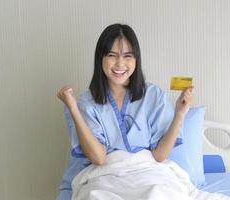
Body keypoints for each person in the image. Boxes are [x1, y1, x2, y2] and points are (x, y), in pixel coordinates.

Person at [56, 23, 193, 200]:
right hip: (106, 176)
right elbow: (98, 158)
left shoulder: (154, 95)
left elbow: (160, 155)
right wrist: (73, 108)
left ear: (136, 59)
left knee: (158, 195)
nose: (120, 64)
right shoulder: (86, 102)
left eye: (128, 56)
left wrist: (180, 113)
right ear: (101, 58)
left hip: (149, 173)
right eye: (112, 55)